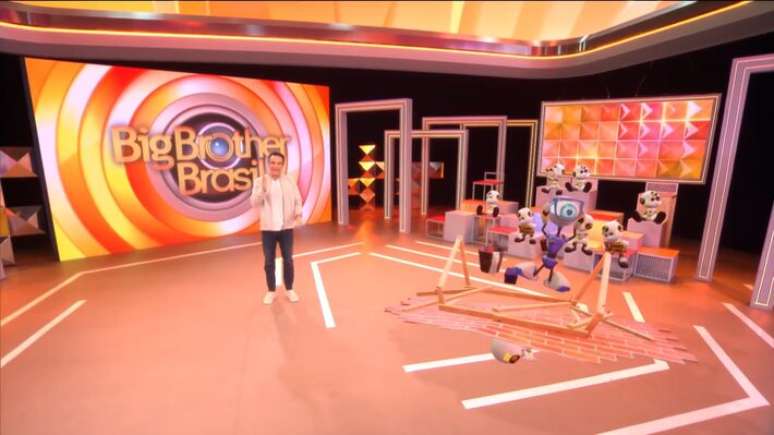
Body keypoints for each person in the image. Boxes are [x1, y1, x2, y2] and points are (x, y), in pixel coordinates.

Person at [250, 152, 303, 304]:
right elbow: (253, 202)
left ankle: (289, 289)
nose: (276, 166)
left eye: (279, 163)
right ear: (269, 164)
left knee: (288, 260)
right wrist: (263, 190)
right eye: (273, 163)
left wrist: (298, 213)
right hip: (268, 230)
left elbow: (297, 199)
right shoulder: (260, 181)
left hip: (286, 228)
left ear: (282, 165)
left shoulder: (289, 180)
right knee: (269, 262)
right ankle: (271, 291)